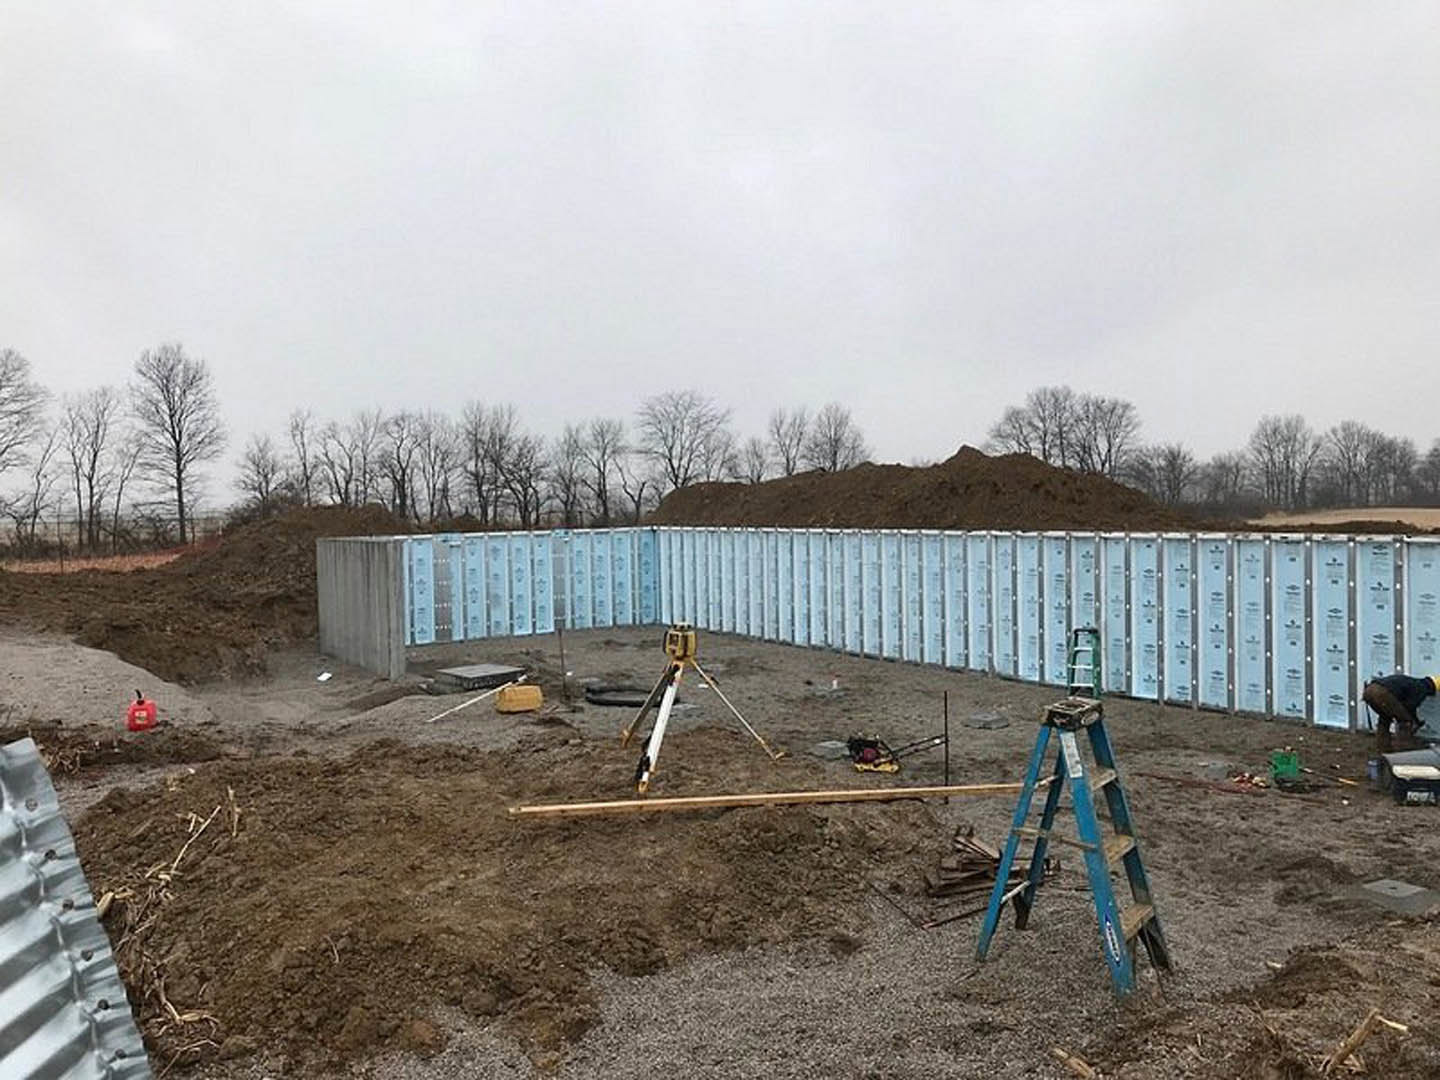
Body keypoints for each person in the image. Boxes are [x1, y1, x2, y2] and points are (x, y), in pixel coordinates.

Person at [1362, 673, 1439, 752]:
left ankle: (1383, 749)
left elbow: (1402, 704)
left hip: (1369, 691)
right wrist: (1415, 721)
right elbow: (1410, 707)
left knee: (1385, 719)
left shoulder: (1413, 682)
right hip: (1381, 694)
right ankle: (1403, 749)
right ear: (1431, 689)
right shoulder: (1421, 688)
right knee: (1406, 721)